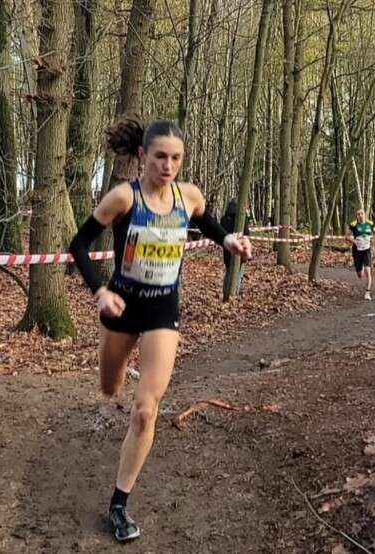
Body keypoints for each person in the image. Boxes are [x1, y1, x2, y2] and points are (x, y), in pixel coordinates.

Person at [69, 116, 252, 542]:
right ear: (142, 155)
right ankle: (113, 375)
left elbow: (208, 222)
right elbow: (78, 244)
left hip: (162, 310)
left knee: (145, 410)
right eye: (159, 157)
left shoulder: (188, 196)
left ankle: (119, 504)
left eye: (176, 158)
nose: (168, 166)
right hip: (121, 306)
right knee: (110, 386)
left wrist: (228, 241)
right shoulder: (123, 197)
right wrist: (99, 291)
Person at [220, 199, 251, 299]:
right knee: (238, 273)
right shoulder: (242, 218)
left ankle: (226, 293)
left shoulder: (223, 219)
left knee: (228, 272)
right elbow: (246, 234)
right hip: (239, 249)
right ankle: (233, 295)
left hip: (227, 249)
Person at [347, 208, 374, 300]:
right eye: (358, 214)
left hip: (367, 250)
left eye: (362, 214)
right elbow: (347, 236)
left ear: (365, 215)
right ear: (357, 216)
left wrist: (372, 242)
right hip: (357, 251)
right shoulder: (353, 225)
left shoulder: (370, 224)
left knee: (368, 271)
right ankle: (360, 266)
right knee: (360, 275)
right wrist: (354, 241)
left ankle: (367, 293)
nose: (360, 216)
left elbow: (373, 234)